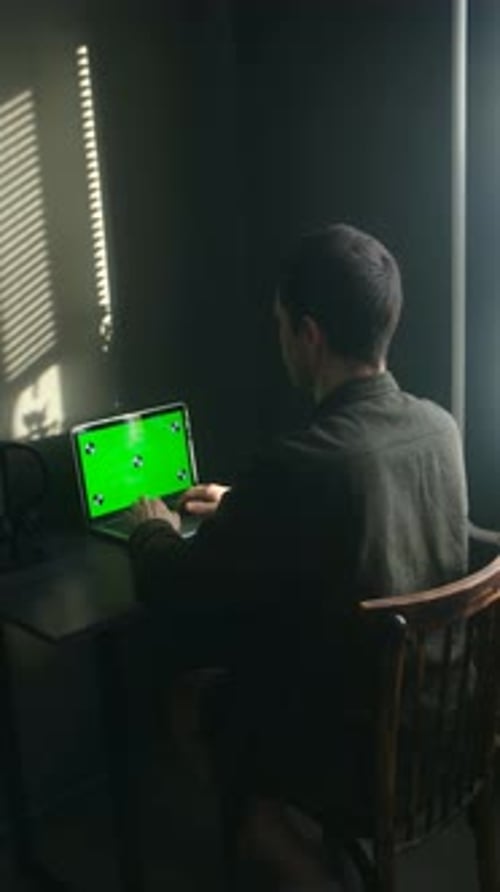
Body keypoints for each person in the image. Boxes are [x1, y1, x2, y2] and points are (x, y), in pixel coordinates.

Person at [127, 222, 469, 889]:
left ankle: (273, 842)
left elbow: (173, 588)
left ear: (309, 337)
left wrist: (152, 527)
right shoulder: (438, 427)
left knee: (193, 695)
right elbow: (353, 506)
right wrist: (241, 505)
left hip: (364, 750)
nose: (280, 337)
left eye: (282, 324)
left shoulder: (298, 467)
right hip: (450, 724)